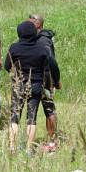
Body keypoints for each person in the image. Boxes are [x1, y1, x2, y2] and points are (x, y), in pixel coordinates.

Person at [4, 21, 61, 154]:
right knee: (31, 119)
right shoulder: (41, 49)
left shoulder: (14, 48)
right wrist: (51, 84)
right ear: (34, 33)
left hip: (19, 85)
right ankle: (29, 149)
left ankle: (12, 147)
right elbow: (48, 68)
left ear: (20, 33)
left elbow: (7, 66)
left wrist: (17, 72)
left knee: (15, 117)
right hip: (36, 86)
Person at [29, 14, 61, 150]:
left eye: (31, 24)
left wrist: (57, 80)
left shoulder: (43, 41)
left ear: (39, 25)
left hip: (45, 79)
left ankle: (52, 142)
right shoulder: (36, 38)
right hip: (37, 78)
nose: (28, 27)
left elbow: (52, 61)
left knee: (49, 109)